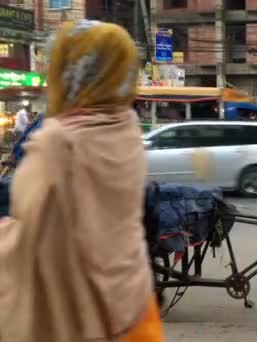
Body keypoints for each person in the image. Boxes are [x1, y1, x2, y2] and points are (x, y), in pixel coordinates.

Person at [0, 20, 163, 342]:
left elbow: (31, 235)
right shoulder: (127, 126)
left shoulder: (58, 141)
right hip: (135, 310)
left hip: (79, 318)